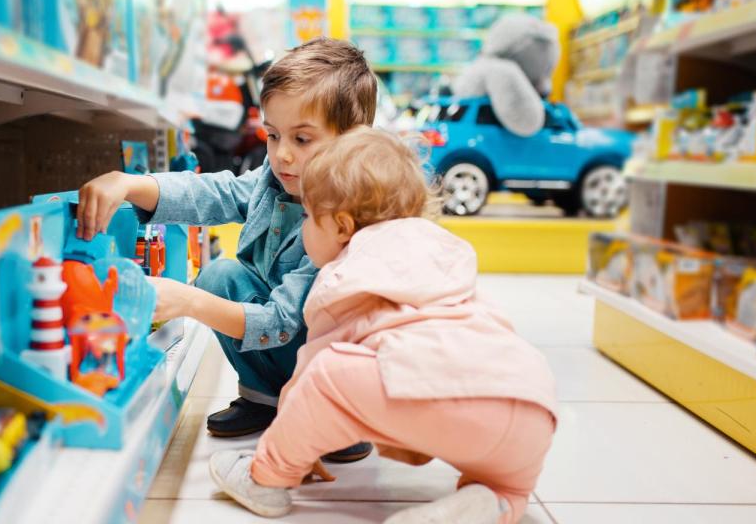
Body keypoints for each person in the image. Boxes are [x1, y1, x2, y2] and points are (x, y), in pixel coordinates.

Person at [209, 127, 558, 524]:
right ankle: (494, 503)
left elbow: (313, 377)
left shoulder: (346, 272)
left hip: (445, 397)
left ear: (341, 226)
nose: (304, 228)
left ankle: (265, 480)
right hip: (533, 403)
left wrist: (295, 447)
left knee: (327, 372)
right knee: (507, 486)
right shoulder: (437, 247)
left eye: (308, 216)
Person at [76, 38, 377, 462]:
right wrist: (130, 183)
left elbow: (283, 321)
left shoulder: (343, 222)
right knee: (221, 275)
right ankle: (263, 398)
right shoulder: (274, 182)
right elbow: (214, 192)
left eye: (303, 139)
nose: (282, 154)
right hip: (290, 339)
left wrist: (190, 303)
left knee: (215, 292)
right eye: (272, 136)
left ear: (352, 141)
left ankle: (336, 418)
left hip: (332, 355)